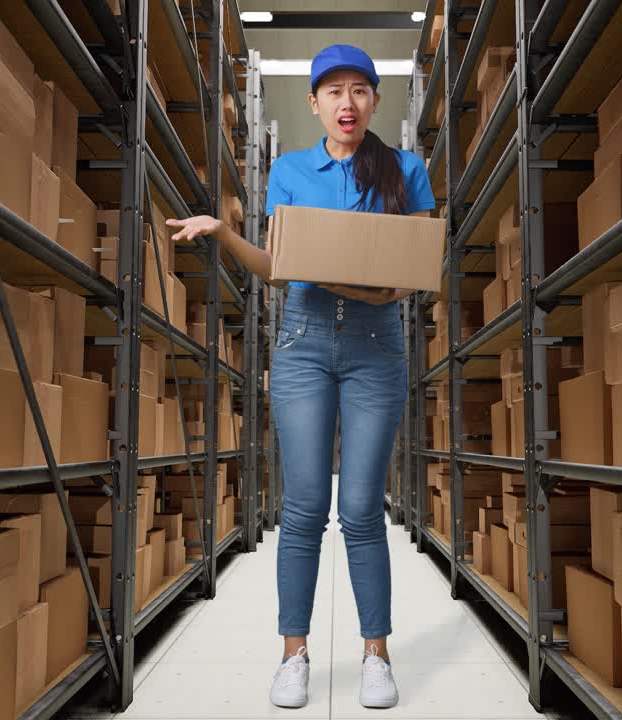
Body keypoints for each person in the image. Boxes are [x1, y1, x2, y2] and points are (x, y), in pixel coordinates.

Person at [166, 44, 434, 709]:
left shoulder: (405, 170)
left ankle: (376, 654)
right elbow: (277, 265)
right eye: (334, 91)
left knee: (364, 509)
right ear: (314, 102)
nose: (348, 102)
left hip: (378, 347)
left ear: (375, 100)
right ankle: (294, 654)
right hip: (305, 345)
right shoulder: (287, 171)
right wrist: (223, 234)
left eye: (360, 90)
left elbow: (422, 261)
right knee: (305, 507)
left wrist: (387, 293)